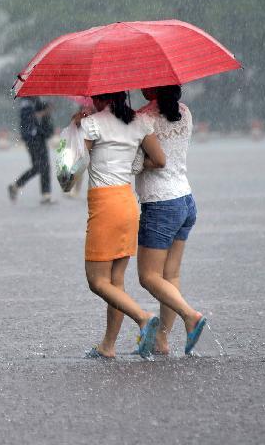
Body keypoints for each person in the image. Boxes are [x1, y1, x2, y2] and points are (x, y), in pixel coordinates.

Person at [77, 91, 166, 359]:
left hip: (105, 205)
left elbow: (72, 165)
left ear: (99, 98)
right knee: (115, 280)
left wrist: (74, 128)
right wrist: (132, 165)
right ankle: (108, 346)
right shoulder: (139, 122)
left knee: (97, 281)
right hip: (127, 202)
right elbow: (160, 160)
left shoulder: (92, 124)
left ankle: (142, 317)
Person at [135, 85, 206, 356]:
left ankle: (191, 316)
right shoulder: (185, 112)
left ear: (149, 88)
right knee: (170, 275)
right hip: (186, 200)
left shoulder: (143, 120)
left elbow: (143, 159)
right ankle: (162, 340)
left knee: (148, 277)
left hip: (161, 203)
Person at [8, 96, 55, 204]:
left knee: (43, 166)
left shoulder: (36, 100)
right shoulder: (25, 102)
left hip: (40, 136)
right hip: (32, 137)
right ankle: (17, 186)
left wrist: (47, 108)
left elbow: (40, 113)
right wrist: (44, 112)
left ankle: (45, 194)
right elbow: (30, 117)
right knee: (40, 166)